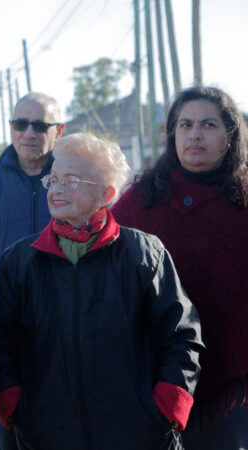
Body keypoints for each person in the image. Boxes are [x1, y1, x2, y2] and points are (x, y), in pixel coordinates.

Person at [0, 133, 204, 449]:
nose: (57, 189)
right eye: (54, 179)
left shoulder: (144, 253)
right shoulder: (19, 260)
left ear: (106, 194)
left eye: (71, 180)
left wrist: (167, 409)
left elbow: (182, 336)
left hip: (140, 437)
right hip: (48, 437)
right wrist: (13, 406)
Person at [112, 86, 248, 448]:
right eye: (185, 125)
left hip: (233, 386)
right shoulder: (139, 201)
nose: (195, 134)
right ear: (172, 134)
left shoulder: (243, 201)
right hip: (152, 377)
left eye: (208, 124)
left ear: (230, 135)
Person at [0, 92, 64, 449]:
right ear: (11, 128)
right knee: (12, 432)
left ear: (59, 130)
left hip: (68, 330)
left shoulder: (73, 178)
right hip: (7, 335)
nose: (29, 133)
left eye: (40, 125)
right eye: (21, 124)